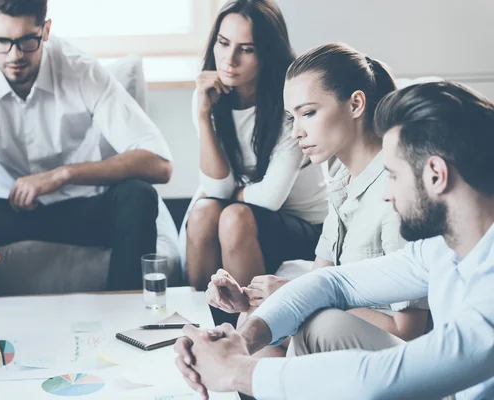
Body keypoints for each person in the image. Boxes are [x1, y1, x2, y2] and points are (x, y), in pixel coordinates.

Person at [175, 81, 494, 400]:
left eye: (394, 176)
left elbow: (380, 379)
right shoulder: (441, 246)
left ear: (436, 175)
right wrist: (241, 342)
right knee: (321, 325)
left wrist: (235, 370)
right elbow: (333, 284)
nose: (387, 193)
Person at [0, 0, 173, 298]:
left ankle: (123, 324)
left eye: (27, 41)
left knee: (139, 195)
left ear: (45, 30)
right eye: (2, 42)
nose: (15, 55)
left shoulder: (81, 70)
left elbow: (159, 162)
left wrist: (62, 175)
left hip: (77, 210)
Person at [206, 44, 429, 358]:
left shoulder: (395, 194)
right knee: (251, 319)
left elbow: (408, 332)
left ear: (355, 104)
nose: (297, 132)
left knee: (308, 328)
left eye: (308, 113)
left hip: (391, 353)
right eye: (291, 117)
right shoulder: (340, 181)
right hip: (345, 333)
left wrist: (298, 296)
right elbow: (317, 280)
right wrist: (251, 297)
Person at [186, 0, 328, 290]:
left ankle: (252, 330)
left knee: (234, 218)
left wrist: (233, 194)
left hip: (304, 227)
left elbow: (270, 199)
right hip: (248, 214)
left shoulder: (289, 104)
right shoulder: (208, 97)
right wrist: (203, 117)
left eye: (246, 49)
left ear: (266, 55)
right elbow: (216, 191)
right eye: (223, 43)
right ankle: (200, 323)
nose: (229, 59)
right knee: (201, 214)